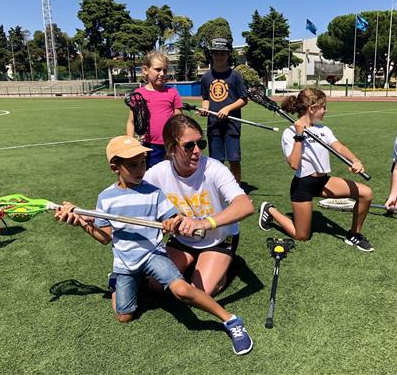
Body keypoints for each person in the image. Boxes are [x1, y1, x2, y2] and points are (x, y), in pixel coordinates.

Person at [54, 136, 253, 355]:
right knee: (124, 316)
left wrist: (172, 222)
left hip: (153, 255)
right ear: (115, 167)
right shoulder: (106, 198)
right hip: (124, 262)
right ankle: (117, 281)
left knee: (182, 290)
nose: (141, 169)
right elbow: (105, 237)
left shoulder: (153, 192)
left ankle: (230, 320)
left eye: (142, 162)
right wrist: (82, 222)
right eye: (133, 165)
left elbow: (174, 217)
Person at [144, 114, 255, 295]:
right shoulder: (157, 173)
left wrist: (203, 223)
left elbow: (245, 206)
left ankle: (222, 266)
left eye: (200, 144)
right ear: (171, 148)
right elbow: (132, 197)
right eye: (189, 145)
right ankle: (196, 260)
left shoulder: (214, 169)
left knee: (201, 291)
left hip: (218, 238)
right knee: (155, 285)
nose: (197, 150)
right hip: (184, 238)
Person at [258, 88, 375, 252]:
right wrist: (299, 136)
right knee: (302, 236)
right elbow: (293, 164)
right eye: (323, 107)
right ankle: (270, 210)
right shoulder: (290, 132)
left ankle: (354, 234)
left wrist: (354, 160)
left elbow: (339, 147)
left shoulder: (323, 130)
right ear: (312, 108)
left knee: (366, 193)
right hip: (303, 185)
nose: (326, 110)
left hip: (324, 182)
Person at [200, 38, 248, 183]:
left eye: (222, 53)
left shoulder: (235, 76)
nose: (219, 57)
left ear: (228, 55)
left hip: (231, 125)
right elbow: (206, 98)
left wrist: (227, 108)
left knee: (234, 160)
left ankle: (237, 190)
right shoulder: (206, 77)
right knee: (216, 161)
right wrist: (205, 108)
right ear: (211, 55)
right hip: (214, 125)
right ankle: (218, 189)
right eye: (216, 53)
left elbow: (243, 99)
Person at [126, 50, 183, 169]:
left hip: (170, 146)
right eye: (158, 69)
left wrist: (176, 143)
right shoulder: (138, 94)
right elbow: (131, 122)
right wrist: (131, 145)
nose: (162, 73)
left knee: (171, 179)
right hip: (148, 146)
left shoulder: (172, 92)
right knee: (149, 180)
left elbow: (179, 121)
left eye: (165, 70)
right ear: (146, 70)